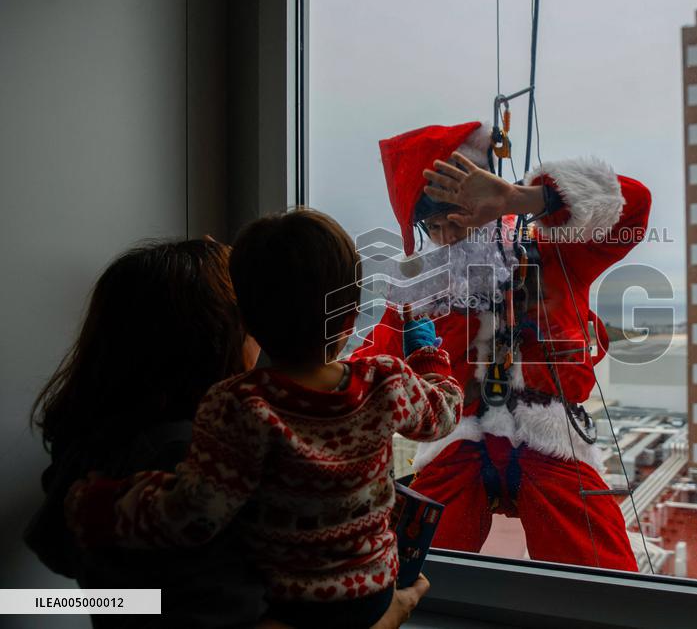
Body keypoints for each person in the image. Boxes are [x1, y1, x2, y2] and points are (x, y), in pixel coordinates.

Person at [65, 210, 463, 629]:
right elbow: (444, 413)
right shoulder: (386, 382)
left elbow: (195, 510)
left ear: (246, 322)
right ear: (349, 318)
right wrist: (428, 360)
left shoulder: (239, 405)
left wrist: (105, 505)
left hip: (292, 603)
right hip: (372, 592)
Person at [356, 120, 651, 571]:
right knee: (409, 568)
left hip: (551, 436)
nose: (449, 235)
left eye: (458, 216)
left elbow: (633, 205)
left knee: (605, 577)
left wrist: (524, 198)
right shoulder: (421, 289)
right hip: (457, 441)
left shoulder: (553, 248)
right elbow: (375, 361)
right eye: (434, 226)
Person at [27, 239, 269, 627]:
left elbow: (60, 550)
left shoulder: (97, 437)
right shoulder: (183, 459)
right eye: (253, 319)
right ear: (216, 337)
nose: (263, 333)